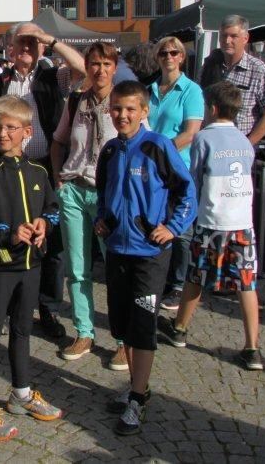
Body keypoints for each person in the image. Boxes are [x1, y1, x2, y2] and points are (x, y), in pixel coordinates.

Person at [94, 80, 196, 436]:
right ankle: (137, 386)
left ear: (144, 111)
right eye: (117, 109)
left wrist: (172, 226)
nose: (123, 115)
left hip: (150, 254)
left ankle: (138, 397)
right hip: (118, 250)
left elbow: (187, 192)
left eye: (130, 109)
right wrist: (101, 221)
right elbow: (104, 193)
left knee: (142, 325)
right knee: (121, 324)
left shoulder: (158, 146)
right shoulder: (108, 151)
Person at [0, 22, 86, 339]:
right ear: (9, 48)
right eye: (20, 43)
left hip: (43, 166)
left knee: (49, 239)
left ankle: (46, 307)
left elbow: (82, 67)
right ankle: (11, 302)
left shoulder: (54, 76)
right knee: (13, 231)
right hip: (8, 167)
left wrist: (49, 39)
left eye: (31, 43)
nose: (26, 48)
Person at [0, 96, 63, 442]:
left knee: (23, 329)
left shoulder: (38, 171)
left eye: (10, 128)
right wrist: (8, 232)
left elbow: (53, 208)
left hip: (31, 265)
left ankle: (20, 393)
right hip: (0, 266)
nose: (3, 133)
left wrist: (42, 224)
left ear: (27, 132)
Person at [158, 81, 263, 370]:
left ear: (212, 108)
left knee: (196, 275)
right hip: (241, 221)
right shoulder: (244, 140)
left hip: (211, 220)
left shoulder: (203, 138)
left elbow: (194, 178)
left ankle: (179, 328)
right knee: (246, 282)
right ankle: (252, 347)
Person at [49, 42, 126, 370]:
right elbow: (58, 141)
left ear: (115, 66)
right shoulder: (77, 100)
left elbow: (140, 144)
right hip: (74, 191)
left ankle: (124, 339)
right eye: (94, 63)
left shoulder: (124, 102)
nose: (100, 70)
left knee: (116, 269)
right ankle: (84, 331)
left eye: (106, 64)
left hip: (108, 196)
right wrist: (58, 180)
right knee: (77, 268)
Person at [148, 37, 204, 311]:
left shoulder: (191, 90)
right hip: (151, 168)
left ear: (181, 57)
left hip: (177, 166)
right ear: (157, 57)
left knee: (180, 226)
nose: (168, 56)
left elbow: (191, 132)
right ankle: (159, 278)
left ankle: (179, 283)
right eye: (163, 52)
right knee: (156, 219)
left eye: (174, 52)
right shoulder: (149, 90)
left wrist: (161, 151)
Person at [199, 15, 265, 145]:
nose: (227, 40)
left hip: (240, 145)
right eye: (223, 36)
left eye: (233, 36)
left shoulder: (258, 70)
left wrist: (247, 144)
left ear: (245, 38)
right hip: (211, 143)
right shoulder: (209, 66)